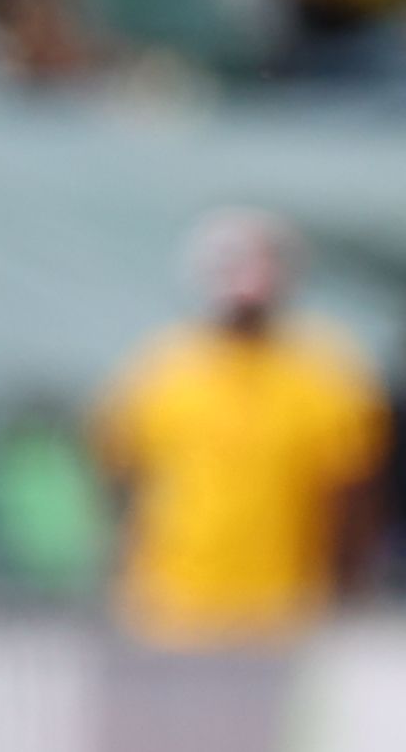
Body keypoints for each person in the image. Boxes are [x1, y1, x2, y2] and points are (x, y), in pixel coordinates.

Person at [94, 208, 386, 647]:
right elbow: (122, 478)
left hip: (285, 612)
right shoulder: (160, 370)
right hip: (170, 607)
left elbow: (353, 497)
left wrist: (343, 594)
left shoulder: (327, 374)